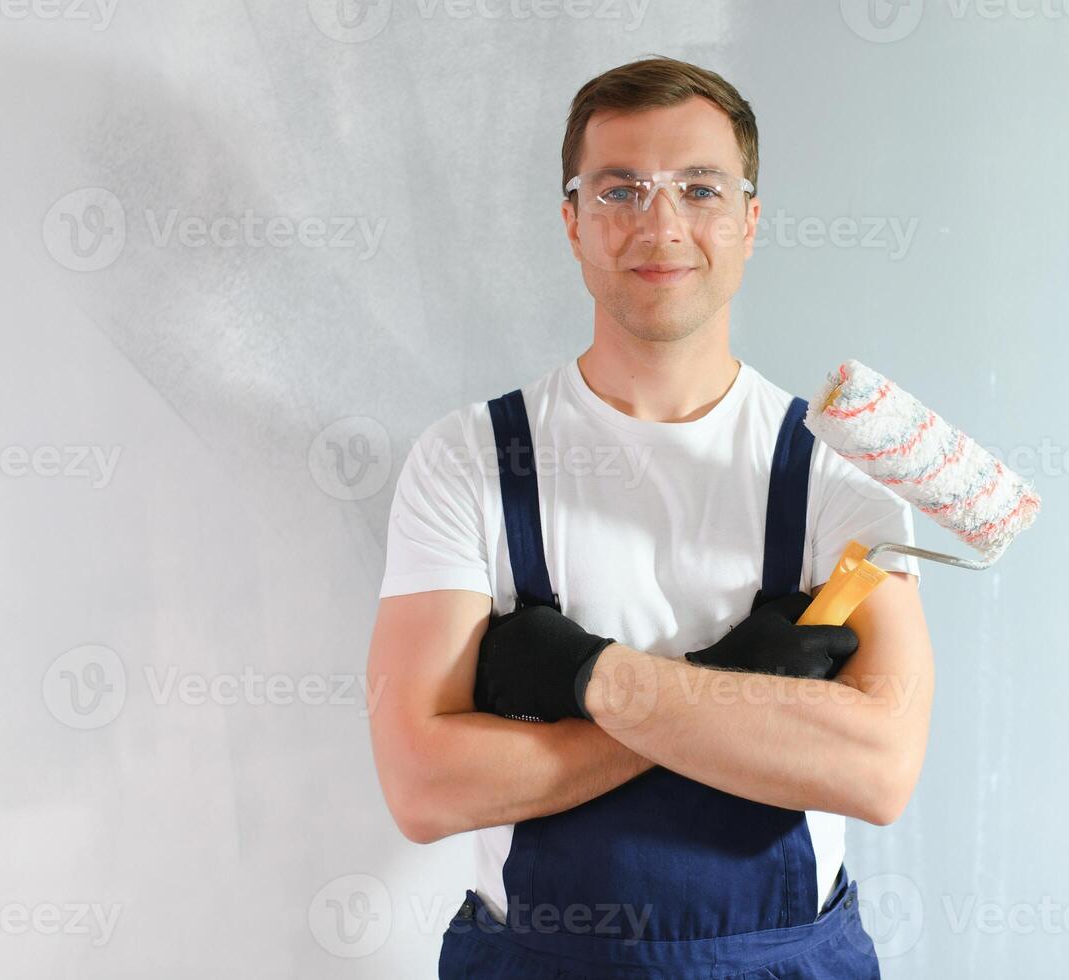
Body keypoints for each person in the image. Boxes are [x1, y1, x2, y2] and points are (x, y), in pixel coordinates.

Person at [366, 54, 935, 979]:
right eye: (620, 189)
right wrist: (737, 696)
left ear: (750, 221)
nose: (659, 224)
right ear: (572, 221)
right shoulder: (470, 459)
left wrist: (589, 677)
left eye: (699, 188)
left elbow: (875, 771)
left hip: (785, 962)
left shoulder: (843, 469)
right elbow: (425, 787)